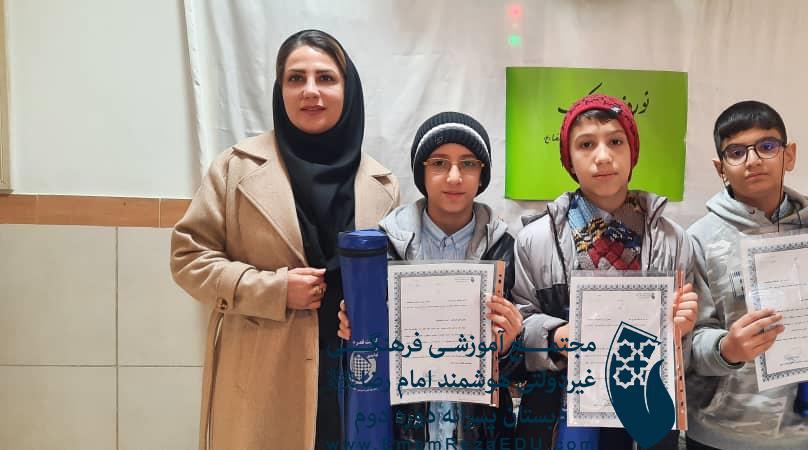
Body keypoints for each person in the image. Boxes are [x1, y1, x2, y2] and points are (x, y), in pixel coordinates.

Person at [170, 29, 399, 450]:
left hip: (355, 379)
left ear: (348, 89)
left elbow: (393, 284)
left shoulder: (382, 186)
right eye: (296, 78)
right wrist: (273, 289)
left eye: (325, 78)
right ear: (280, 91)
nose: (310, 91)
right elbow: (189, 259)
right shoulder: (236, 169)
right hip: (264, 380)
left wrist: (375, 313)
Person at [512, 93, 702, 449]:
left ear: (633, 153)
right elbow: (517, 329)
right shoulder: (535, 240)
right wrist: (554, 336)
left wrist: (681, 329)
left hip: (645, 411)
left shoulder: (673, 240)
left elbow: (684, 358)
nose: (602, 156)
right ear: (569, 159)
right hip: (557, 413)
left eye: (615, 141)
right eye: (586, 145)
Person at [686, 100, 808, 450]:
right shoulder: (699, 239)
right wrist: (728, 348)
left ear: (789, 155)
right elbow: (688, 343)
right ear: (720, 168)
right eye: (736, 152)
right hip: (720, 433)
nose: (753, 160)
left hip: (805, 433)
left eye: (767, 146)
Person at [337, 111, 524, 448]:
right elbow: (367, 366)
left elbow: (520, 371)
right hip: (405, 432)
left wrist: (510, 345)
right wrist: (357, 331)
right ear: (421, 172)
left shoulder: (507, 250)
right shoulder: (383, 249)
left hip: (481, 434)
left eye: (468, 164)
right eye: (438, 163)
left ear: (482, 173)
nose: (454, 176)